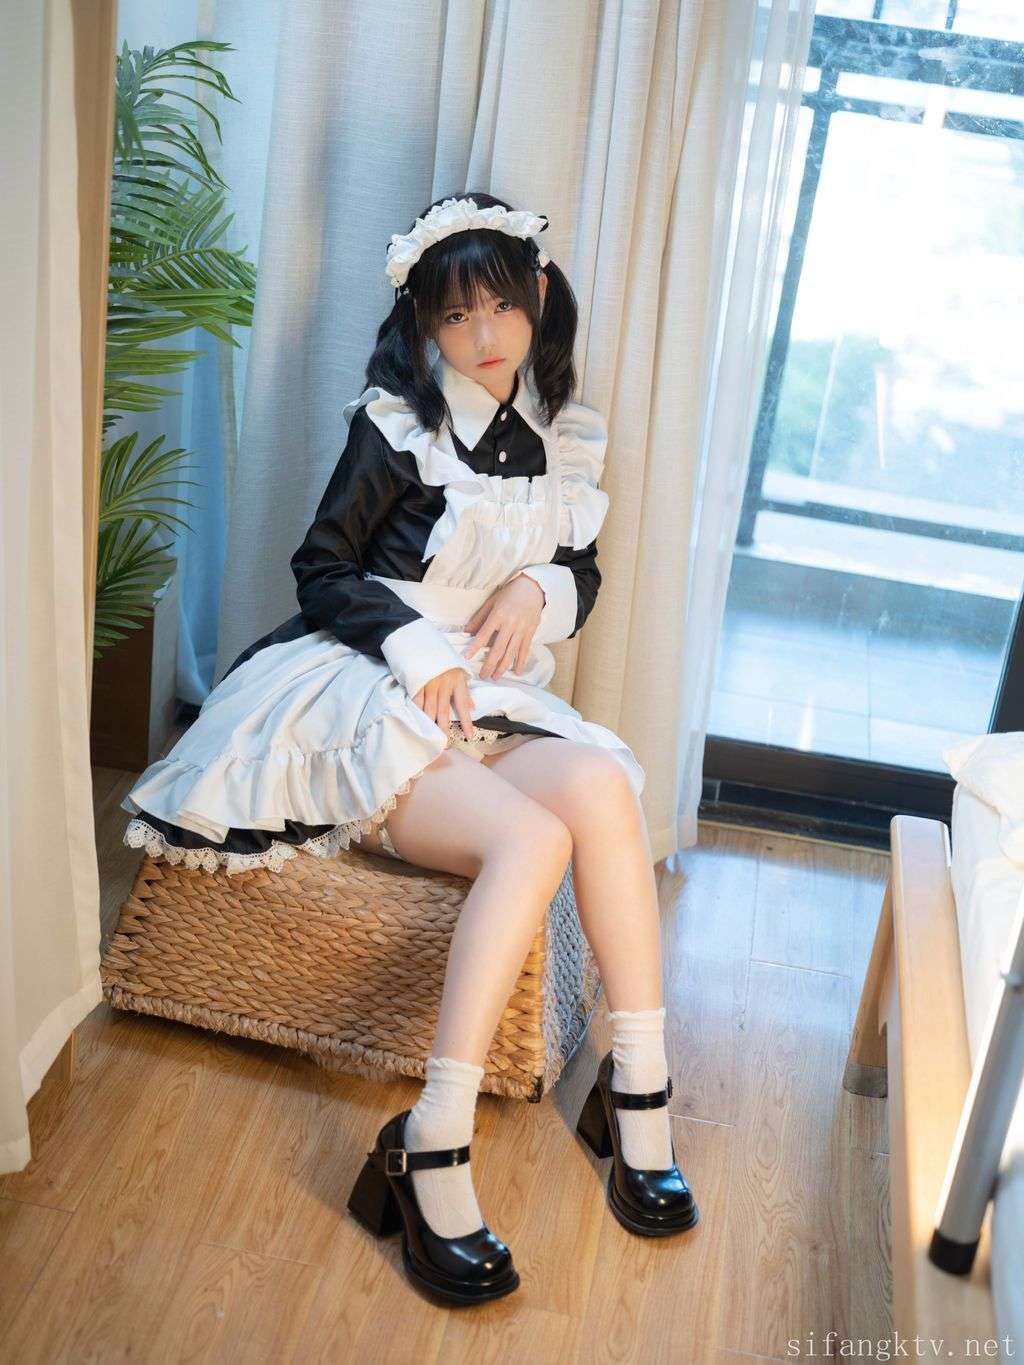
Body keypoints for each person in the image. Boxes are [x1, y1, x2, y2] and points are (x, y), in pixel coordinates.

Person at [120, 192, 699, 1305]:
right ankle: (431, 1138)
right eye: (456, 315)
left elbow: (579, 567)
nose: (484, 335)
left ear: (539, 302)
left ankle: (637, 1087)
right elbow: (322, 567)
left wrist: (537, 587)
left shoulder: (558, 440)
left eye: (503, 308)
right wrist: (417, 647)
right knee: (531, 843)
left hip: (486, 693)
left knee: (600, 786)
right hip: (366, 680)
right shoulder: (396, 424)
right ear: (426, 324)